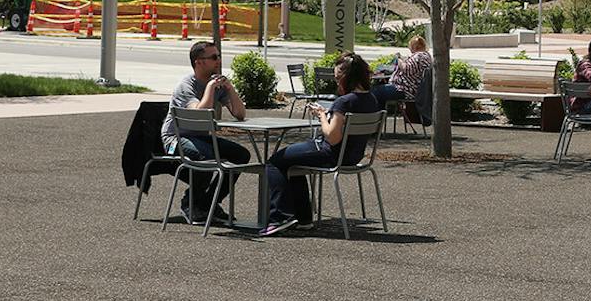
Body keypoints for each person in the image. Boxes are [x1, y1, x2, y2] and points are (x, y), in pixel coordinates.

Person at [260, 54, 383, 236]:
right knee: (293, 164)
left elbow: (333, 137)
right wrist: (330, 115)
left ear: (345, 77)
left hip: (330, 153)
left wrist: (322, 116)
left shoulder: (344, 101)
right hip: (353, 156)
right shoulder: (371, 100)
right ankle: (303, 219)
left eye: (336, 78)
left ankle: (280, 216)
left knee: (275, 162)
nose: (335, 81)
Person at [163, 40, 248, 224]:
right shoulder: (186, 85)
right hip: (175, 139)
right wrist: (210, 88)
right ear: (199, 62)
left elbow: (240, 114)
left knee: (241, 155)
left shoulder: (216, 84)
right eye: (214, 57)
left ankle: (209, 203)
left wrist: (230, 88)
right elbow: (200, 114)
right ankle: (190, 203)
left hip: (200, 138)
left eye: (218, 56)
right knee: (207, 157)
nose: (218, 61)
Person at [391, 34, 433, 126]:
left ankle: (374, 126)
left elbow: (407, 69)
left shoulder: (418, 56)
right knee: (380, 92)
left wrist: (399, 60)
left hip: (405, 89)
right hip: (412, 88)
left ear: (414, 46)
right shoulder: (427, 56)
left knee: (377, 92)